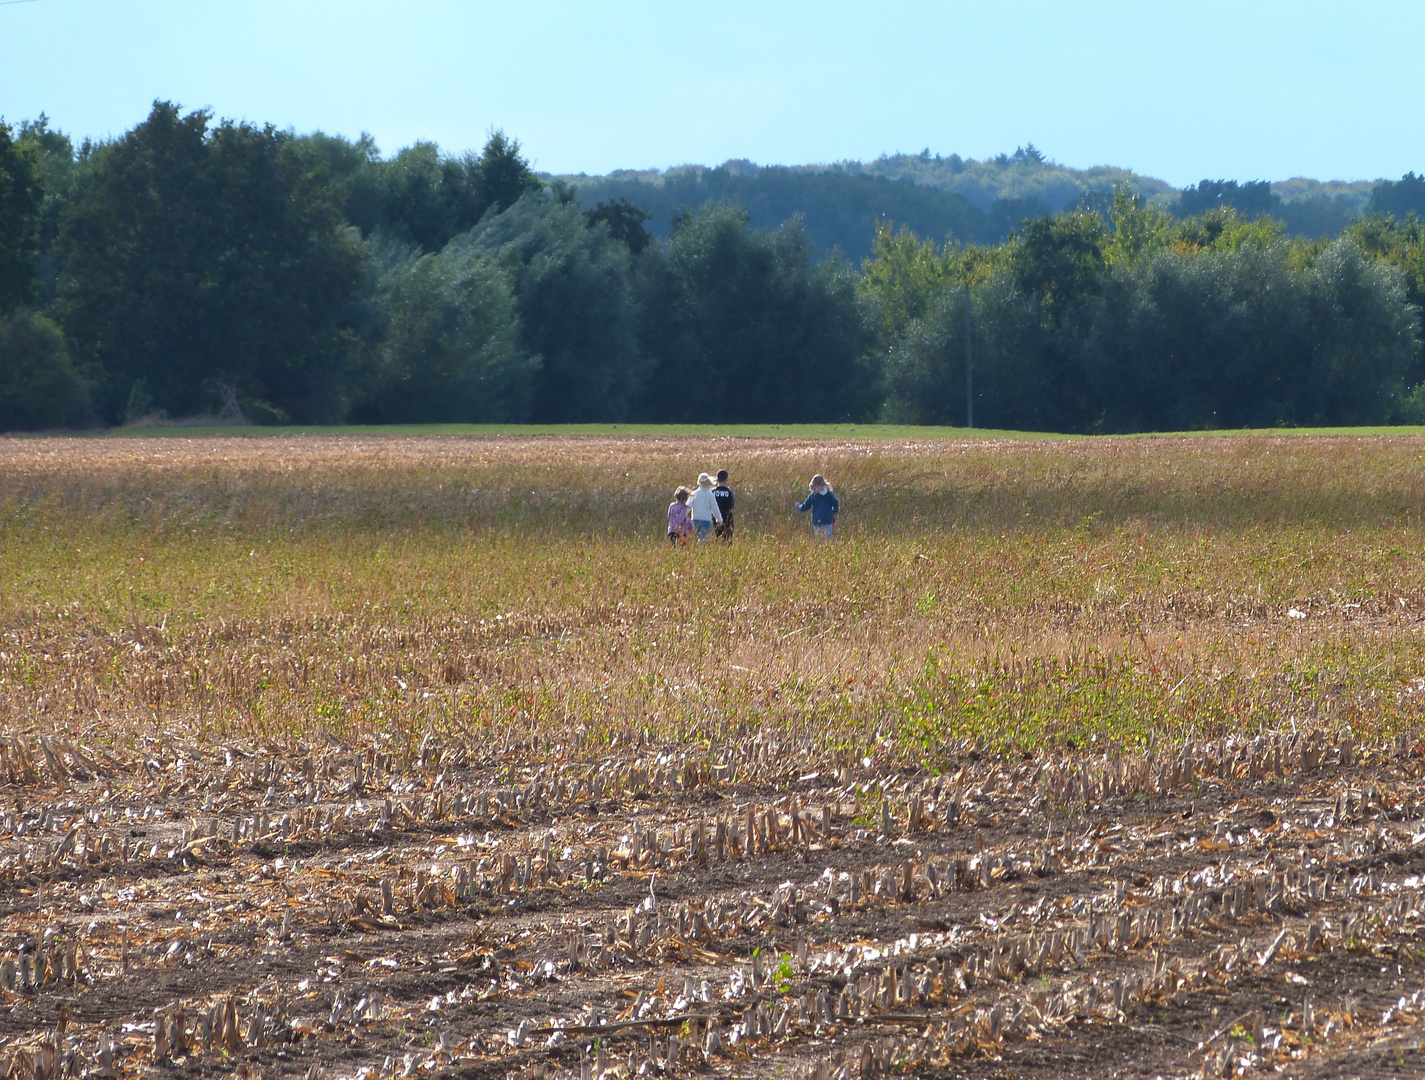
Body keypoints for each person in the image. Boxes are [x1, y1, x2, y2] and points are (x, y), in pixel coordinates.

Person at [796, 474, 839, 539]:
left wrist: (798, 506)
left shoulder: (813, 495)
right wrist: (835, 510)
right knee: (828, 539)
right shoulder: (829, 493)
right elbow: (836, 501)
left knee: (819, 539)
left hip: (816, 520)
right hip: (828, 519)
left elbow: (805, 507)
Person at [686, 473, 723, 541]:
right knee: (703, 539)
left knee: (695, 539)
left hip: (695, 520)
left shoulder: (694, 494)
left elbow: (687, 507)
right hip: (706, 521)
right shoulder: (710, 495)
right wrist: (719, 519)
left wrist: (683, 516)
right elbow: (715, 509)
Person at [712, 468, 735, 541]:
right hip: (728, 519)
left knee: (718, 539)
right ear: (726, 479)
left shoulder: (713, 492)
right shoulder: (730, 492)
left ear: (717, 479)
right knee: (728, 540)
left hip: (716, 519)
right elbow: (732, 506)